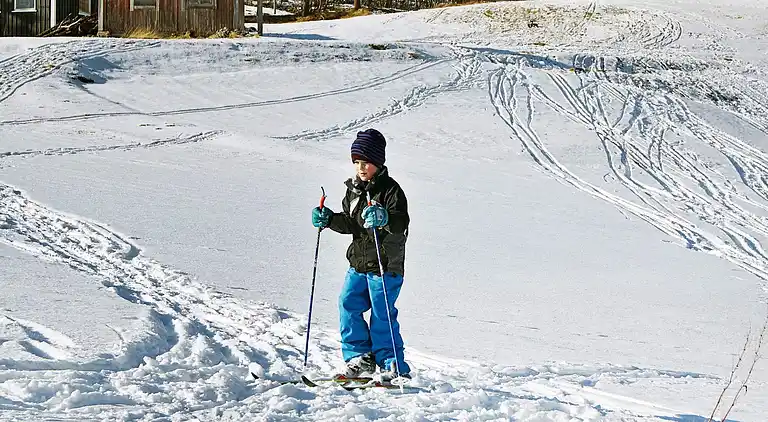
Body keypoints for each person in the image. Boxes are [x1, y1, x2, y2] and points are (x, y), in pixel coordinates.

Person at [311, 128, 412, 382]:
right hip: (358, 263)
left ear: (378, 162)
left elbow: (401, 222)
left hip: (384, 265)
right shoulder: (354, 190)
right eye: (356, 162)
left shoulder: (391, 191)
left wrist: (384, 218)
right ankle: (359, 358)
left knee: (381, 314)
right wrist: (330, 220)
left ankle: (392, 365)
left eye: (366, 162)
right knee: (348, 304)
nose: (361, 167)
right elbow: (351, 223)